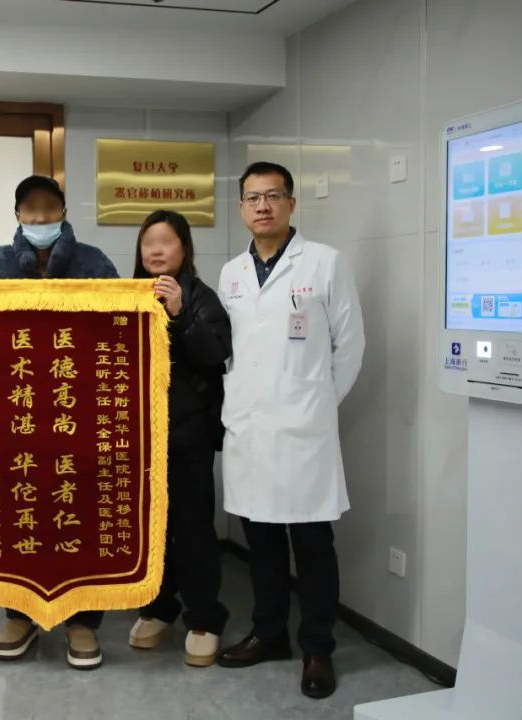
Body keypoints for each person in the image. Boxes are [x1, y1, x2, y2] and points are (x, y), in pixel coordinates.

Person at [216, 162, 365, 699]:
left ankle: (317, 647)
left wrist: (316, 403)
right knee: (261, 540)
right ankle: (269, 633)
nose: (263, 206)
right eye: (253, 197)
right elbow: (230, 351)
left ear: (291, 204)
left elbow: (351, 345)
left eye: (273, 195)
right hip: (249, 428)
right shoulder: (231, 273)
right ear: (241, 207)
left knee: (312, 543)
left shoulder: (325, 263)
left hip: (304, 430)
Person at [0, 174, 118, 669]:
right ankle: (20, 615)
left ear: (63, 213)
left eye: (48, 210)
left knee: (82, 515)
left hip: (80, 417)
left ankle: (82, 622)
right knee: (21, 515)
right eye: (30, 211)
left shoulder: (95, 264)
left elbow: (120, 333)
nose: (39, 219)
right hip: (16, 419)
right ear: (17, 215)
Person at [127, 209, 230, 668]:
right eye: (148, 242)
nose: (155, 250)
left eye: (165, 241)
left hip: (188, 434)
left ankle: (204, 619)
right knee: (149, 529)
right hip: (139, 436)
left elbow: (215, 353)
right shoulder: (127, 295)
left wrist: (179, 312)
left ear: (184, 249)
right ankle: (157, 609)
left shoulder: (200, 296)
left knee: (192, 529)